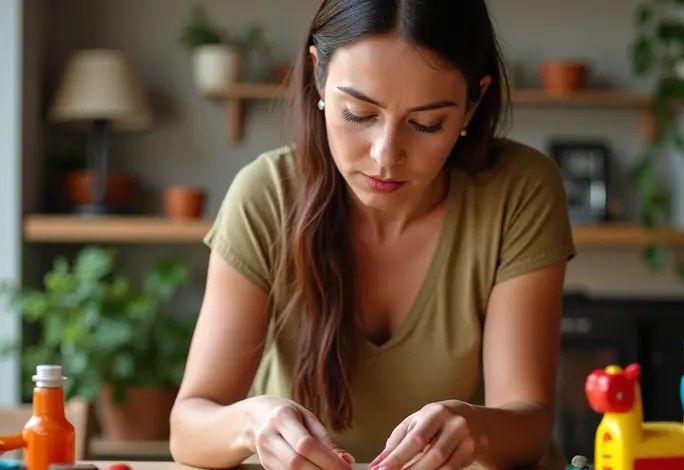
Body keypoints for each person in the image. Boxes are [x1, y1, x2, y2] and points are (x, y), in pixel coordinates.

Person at [169, 0, 576, 469]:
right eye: (360, 114)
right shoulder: (266, 196)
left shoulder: (520, 191)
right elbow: (189, 428)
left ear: (472, 104)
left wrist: (476, 429)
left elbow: (528, 420)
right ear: (318, 75)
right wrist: (251, 423)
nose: (386, 155)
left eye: (427, 123)